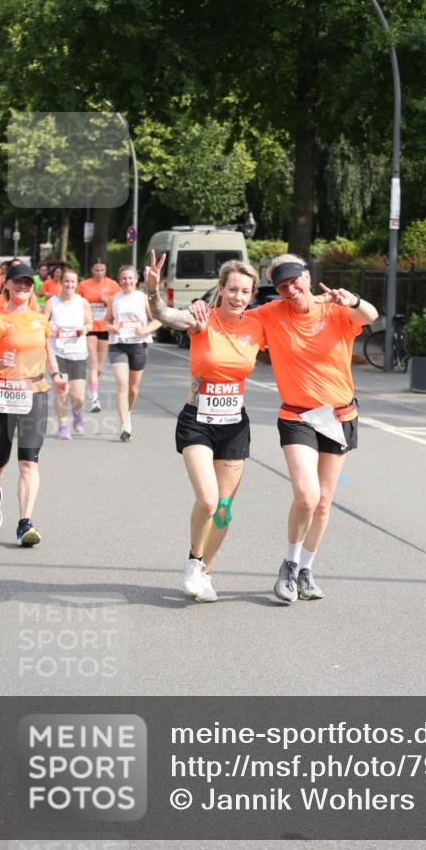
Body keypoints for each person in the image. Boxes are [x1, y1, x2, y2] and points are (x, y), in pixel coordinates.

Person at [199, 253, 377, 604]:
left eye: (295, 281)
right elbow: (232, 317)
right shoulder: (270, 314)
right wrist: (201, 309)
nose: (290, 289)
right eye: (282, 285)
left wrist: (351, 299)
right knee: (307, 495)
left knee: (324, 502)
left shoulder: (337, 310)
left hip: (339, 416)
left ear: (307, 278)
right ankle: (289, 566)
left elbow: (370, 316)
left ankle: (306, 569)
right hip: (298, 416)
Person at [145, 251, 264, 602]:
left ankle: (206, 571)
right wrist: (153, 291)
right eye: (232, 290)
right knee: (209, 500)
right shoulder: (202, 319)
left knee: (224, 508)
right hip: (198, 420)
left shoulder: (257, 325)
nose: (238, 297)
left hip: (234, 426)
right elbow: (163, 315)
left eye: (245, 291)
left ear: (252, 294)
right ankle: (193, 562)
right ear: (221, 288)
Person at [0, 262, 69, 546]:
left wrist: (56, 376)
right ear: (6, 284)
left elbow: (46, 350)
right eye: (17, 282)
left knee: (29, 460)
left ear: (33, 288)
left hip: (34, 392)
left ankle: (24, 523)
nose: (23, 286)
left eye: (28, 283)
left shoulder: (40, 320)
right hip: (1, 394)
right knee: (0, 459)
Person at [104, 264, 161, 442]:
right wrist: (112, 328)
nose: (127, 281)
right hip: (118, 344)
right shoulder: (114, 299)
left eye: (130, 278)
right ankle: (124, 425)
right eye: (123, 279)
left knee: (133, 388)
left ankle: (127, 413)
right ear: (119, 281)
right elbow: (106, 321)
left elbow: (158, 319)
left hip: (138, 344)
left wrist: (146, 330)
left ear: (136, 280)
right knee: (122, 383)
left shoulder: (142, 298)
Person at [43, 268, 93, 439]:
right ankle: (63, 425)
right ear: (61, 282)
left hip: (78, 353)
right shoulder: (52, 302)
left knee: (78, 395)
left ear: (77, 284)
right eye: (66, 281)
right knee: (62, 390)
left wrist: (84, 329)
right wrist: (49, 325)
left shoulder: (82, 302)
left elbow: (90, 323)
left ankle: (77, 411)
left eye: (72, 282)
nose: (69, 285)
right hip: (58, 353)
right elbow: (43, 321)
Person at [77, 260, 120, 412]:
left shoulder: (112, 285)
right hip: (90, 327)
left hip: (105, 328)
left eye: (102, 270)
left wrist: (108, 301)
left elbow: (119, 304)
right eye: (96, 270)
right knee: (93, 364)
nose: (99, 273)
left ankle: (91, 388)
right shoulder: (84, 285)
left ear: (105, 270)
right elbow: (76, 303)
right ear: (91, 270)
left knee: (99, 367)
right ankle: (95, 398)